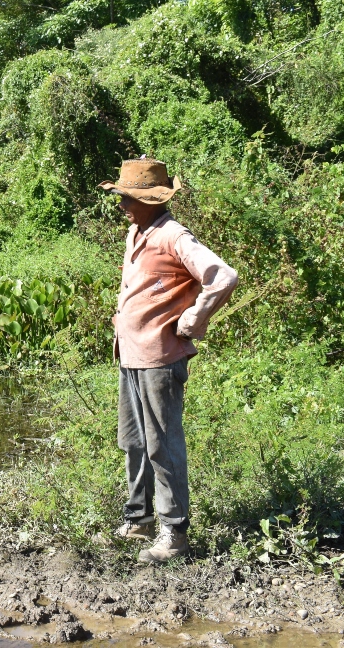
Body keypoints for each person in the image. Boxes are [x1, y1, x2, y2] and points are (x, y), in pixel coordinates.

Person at [100, 158, 237, 563]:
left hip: (159, 357)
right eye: (121, 196)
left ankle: (174, 533)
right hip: (132, 354)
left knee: (161, 444)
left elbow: (222, 276)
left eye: (128, 197)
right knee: (134, 442)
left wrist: (194, 318)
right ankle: (139, 519)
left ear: (151, 200)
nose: (122, 203)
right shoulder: (136, 232)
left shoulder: (173, 235)